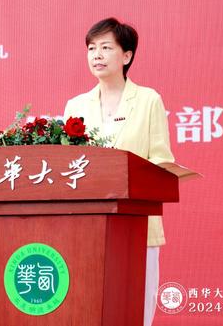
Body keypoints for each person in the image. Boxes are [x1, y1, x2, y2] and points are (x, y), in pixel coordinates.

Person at [63, 17, 174, 326]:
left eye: (106, 47)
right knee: (90, 307)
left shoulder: (148, 100)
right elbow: (68, 167)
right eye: (91, 48)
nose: (96, 55)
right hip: (88, 226)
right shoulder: (75, 105)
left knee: (135, 308)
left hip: (137, 224)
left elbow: (161, 162)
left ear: (126, 56)